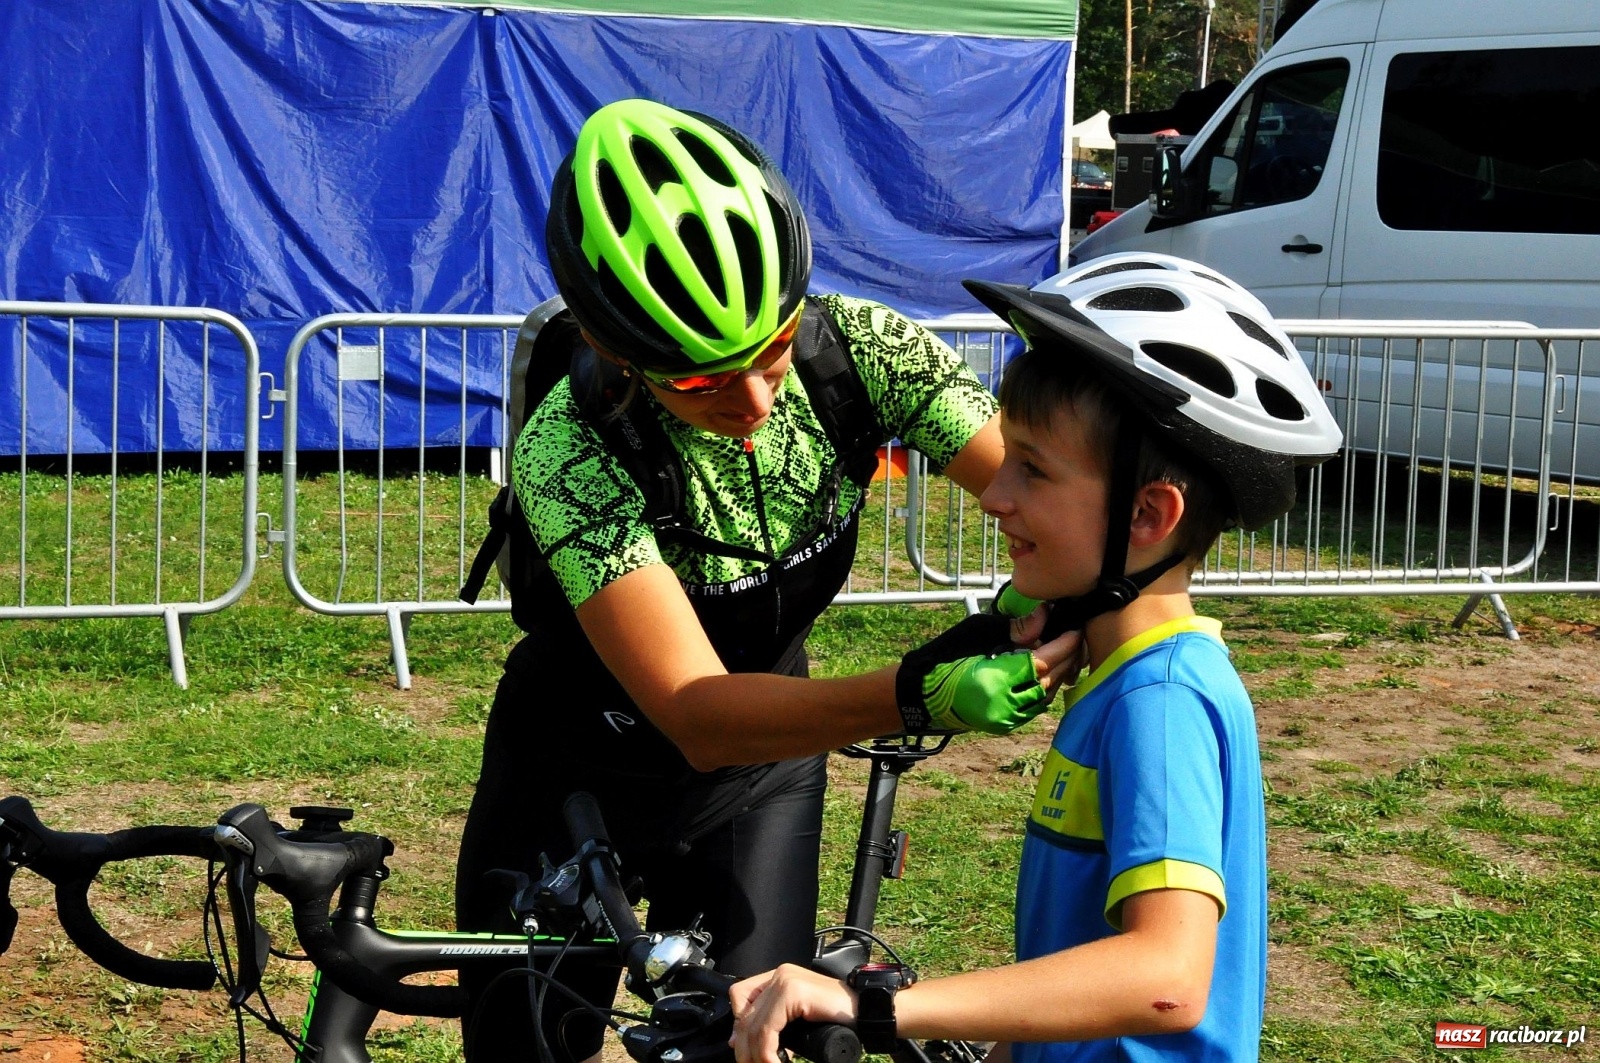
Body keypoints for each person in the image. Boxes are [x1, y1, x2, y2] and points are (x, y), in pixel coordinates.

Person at [455, 99, 1080, 1062]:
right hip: (572, 772)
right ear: (616, 352)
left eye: (773, 350)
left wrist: (1062, 591)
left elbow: (1045, 500)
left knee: (753, 1042)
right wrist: (914, 692)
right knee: (529, 1049)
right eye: (700, 382)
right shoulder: (569, 450)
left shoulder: (866, 351)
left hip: (758, 776)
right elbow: (699, 714)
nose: (752, 400)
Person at [728, 253, 1344, 1063]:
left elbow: (1167, 974)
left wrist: (871, 1003)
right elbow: (1081, 949)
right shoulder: (1121, 681)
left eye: (1035, 470)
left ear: (1149, 514)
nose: (994, 494)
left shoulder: (1159, 700)